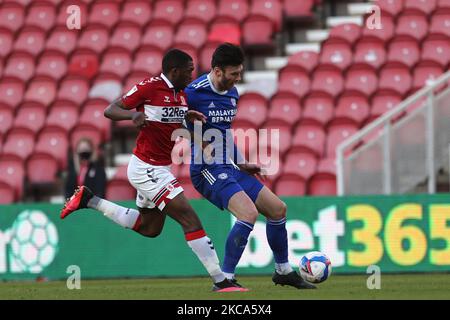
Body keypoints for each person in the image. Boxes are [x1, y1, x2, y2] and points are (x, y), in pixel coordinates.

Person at [60, 49, 246, 293]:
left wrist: (189, 120)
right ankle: (221, 281)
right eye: (189, 70)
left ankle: (90, 200)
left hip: (159, 166)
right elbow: (110, 110)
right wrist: (132, 114)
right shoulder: (150, 87)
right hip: (147, 168)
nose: (192, 74)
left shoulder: (180, 95)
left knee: (150, 228)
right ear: (175, 71)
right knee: (190, 220)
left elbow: (170, 122)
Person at [184, 43, 316, 289]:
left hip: (229, 166)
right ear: (217, 70)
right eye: (233, 73)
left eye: (240, 72)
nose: (238, 78)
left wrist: (241, 161)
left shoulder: (232, 94)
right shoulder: (193, 92)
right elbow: (172, 122)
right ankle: (225, 279)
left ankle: (283, 271)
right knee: (248, 214)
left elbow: (225, 132)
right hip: (206, 169)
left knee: (277, 209)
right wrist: (193, 134)